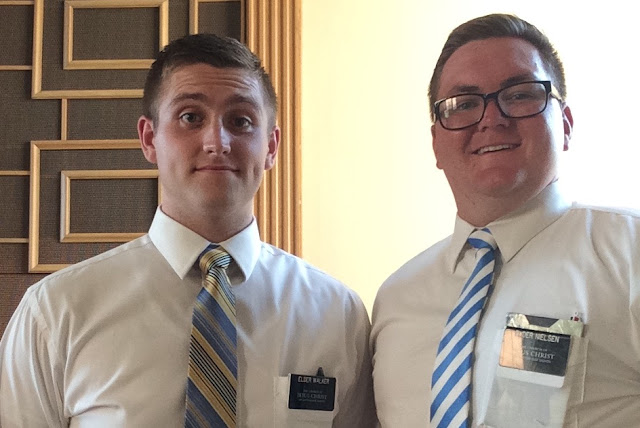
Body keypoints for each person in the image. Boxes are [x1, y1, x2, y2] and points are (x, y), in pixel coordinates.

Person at [0, 33, 376, 427]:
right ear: (149, 139)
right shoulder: (57, 312)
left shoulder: (336, 314)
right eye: (190, 117)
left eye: (241, 121)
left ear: (271, 146)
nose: (217, 142)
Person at [371, 13, 640, 428]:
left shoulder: (629, 254)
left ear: (566, 125)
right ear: (436, 143)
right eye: (463, 104)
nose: (491, 118)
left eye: (520, 95)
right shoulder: (395, 298)